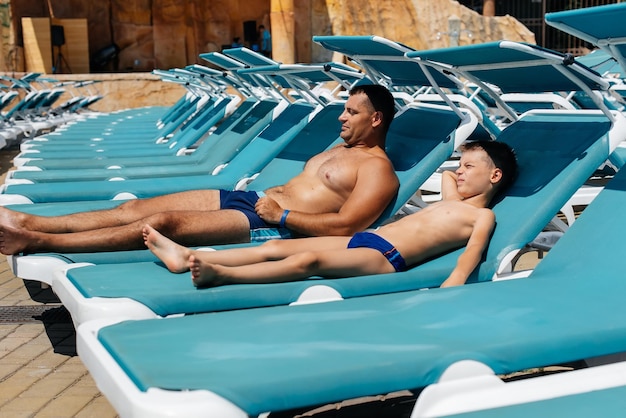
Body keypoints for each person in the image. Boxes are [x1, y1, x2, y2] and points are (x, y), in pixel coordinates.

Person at [0, 84, 399, 255]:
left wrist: (285, 215)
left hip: (275, 224)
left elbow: (349, 226)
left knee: (162, 222)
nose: (342, 118)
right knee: (134, 208)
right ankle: (29, 220)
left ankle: (39, 242)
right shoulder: (342, 147)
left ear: (376, 119)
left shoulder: (378, 171)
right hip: (254, 200)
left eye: (351, 112)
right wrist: (273, 200)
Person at [144, 140, 518, 288]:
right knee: (277, 247)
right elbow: (449, 177)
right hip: (366, 239)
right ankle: (186, 257)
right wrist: (466, 168)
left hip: (385, 257)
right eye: (462, 165)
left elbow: (468, 260)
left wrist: (449, 290)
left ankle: (221, 274)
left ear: (495, 176)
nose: (461, 171)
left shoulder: (481, 218)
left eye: (470, 166)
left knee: (308, 259)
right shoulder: (452, 200)